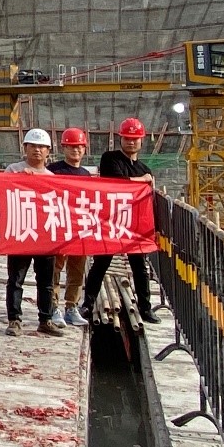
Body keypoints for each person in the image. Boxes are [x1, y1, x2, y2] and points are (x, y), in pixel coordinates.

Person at [81, 118, 161, 325]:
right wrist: (142, 180)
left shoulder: (144, 168)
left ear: (141, 141)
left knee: (140, 268)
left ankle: (145, 308)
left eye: (135, 139)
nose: (131, 142)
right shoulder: (110, 159)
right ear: (121, 139)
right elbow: (116, 182)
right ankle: (87, 304)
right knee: (101, 264)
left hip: (135, 225)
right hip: (111, 222)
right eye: (127, 138)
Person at [4, 129, 66, 338]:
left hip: (44, 236)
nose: (37, 150)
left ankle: (45, 319)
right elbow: (2, 193)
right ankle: (14, 319)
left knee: (46, 282)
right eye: (33, 146)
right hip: (21, 233)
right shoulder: (13, 170)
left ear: (48, 151)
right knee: (16, 279)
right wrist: (21, 180)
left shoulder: (52, 178)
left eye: (41, 147)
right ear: (25, 148)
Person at [46, 127, 92, 328]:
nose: (76, 150)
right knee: (55, 269)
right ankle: (53, 306)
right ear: (63, 148)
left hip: (79, 229)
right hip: (58, 227)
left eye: (79, 146)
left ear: (84, 149)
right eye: (72, 146)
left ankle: (71, 307)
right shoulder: (53, 171)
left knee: (77, 270)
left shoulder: (86, 175)